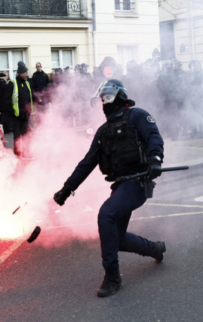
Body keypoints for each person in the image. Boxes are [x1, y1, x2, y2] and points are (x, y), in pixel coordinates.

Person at [54, 79, 166, 297]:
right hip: (120, 184)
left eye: (109, 97)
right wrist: (66, 189)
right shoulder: (103, 131)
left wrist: (155, 159)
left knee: (106, 214)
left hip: (137, 182)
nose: (105, 102)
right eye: (102, 98)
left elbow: (154, 137)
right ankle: (155, 249)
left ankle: (113, 277)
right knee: (117, 236)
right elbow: (87, 163)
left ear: (121, 97)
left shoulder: (138, 116)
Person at [6, 61, 33, 158]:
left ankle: (26, 153)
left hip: (26, 114)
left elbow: (30, 97)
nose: (27, 74)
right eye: (25, 72)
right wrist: (12, 112)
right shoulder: (12, 83)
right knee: (17, 136)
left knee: (25, 136)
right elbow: (7, 100)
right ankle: (17, 154)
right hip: (16, 115)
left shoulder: (27, 83)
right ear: (21, 73)